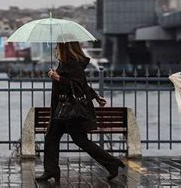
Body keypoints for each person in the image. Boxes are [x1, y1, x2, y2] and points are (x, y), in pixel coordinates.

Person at [35, 42, 125, 184]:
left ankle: (112, 163)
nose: (55, 49)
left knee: (80, 141)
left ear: (65, 48)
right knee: (51, 137)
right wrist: (95, 97)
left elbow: (77, 86)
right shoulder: (65, 64)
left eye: (57, 46)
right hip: (62, 110)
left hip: (70, 111)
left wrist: (59, 78)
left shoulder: (72, 64)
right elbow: (83, 84)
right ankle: (51, 170)